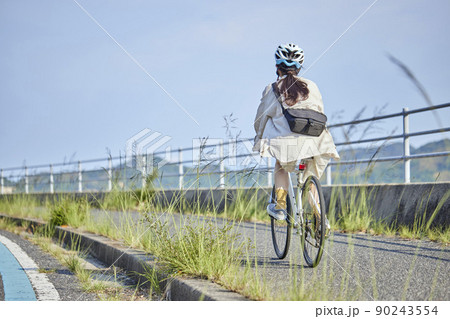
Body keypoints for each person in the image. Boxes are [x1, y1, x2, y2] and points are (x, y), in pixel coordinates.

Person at [253, 43, 340, 223]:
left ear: (277, 67)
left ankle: (280, 206)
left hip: (288, 145)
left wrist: (259, 137)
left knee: (281, 166)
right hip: (318, 141)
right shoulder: (312, 86)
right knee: (310, 178)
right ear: (300, 67)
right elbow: (321, 113)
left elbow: (260, 120)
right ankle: (320, 218)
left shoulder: (272, 89)